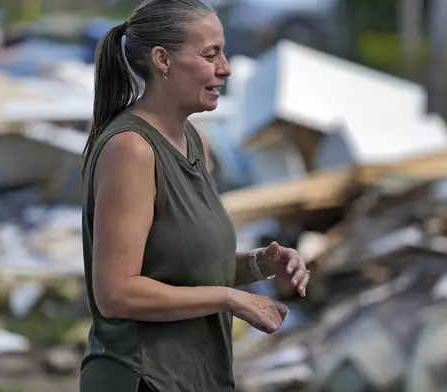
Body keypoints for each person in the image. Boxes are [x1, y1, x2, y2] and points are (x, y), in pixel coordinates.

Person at [79, 1, 310, 391]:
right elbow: (117, 294)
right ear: (162, 60)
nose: (226, 67)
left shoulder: (194, 142)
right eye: (210, 54)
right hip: (143, 379)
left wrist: (261, 264)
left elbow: (186, 269)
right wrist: (231, 299)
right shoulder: (132, 150)